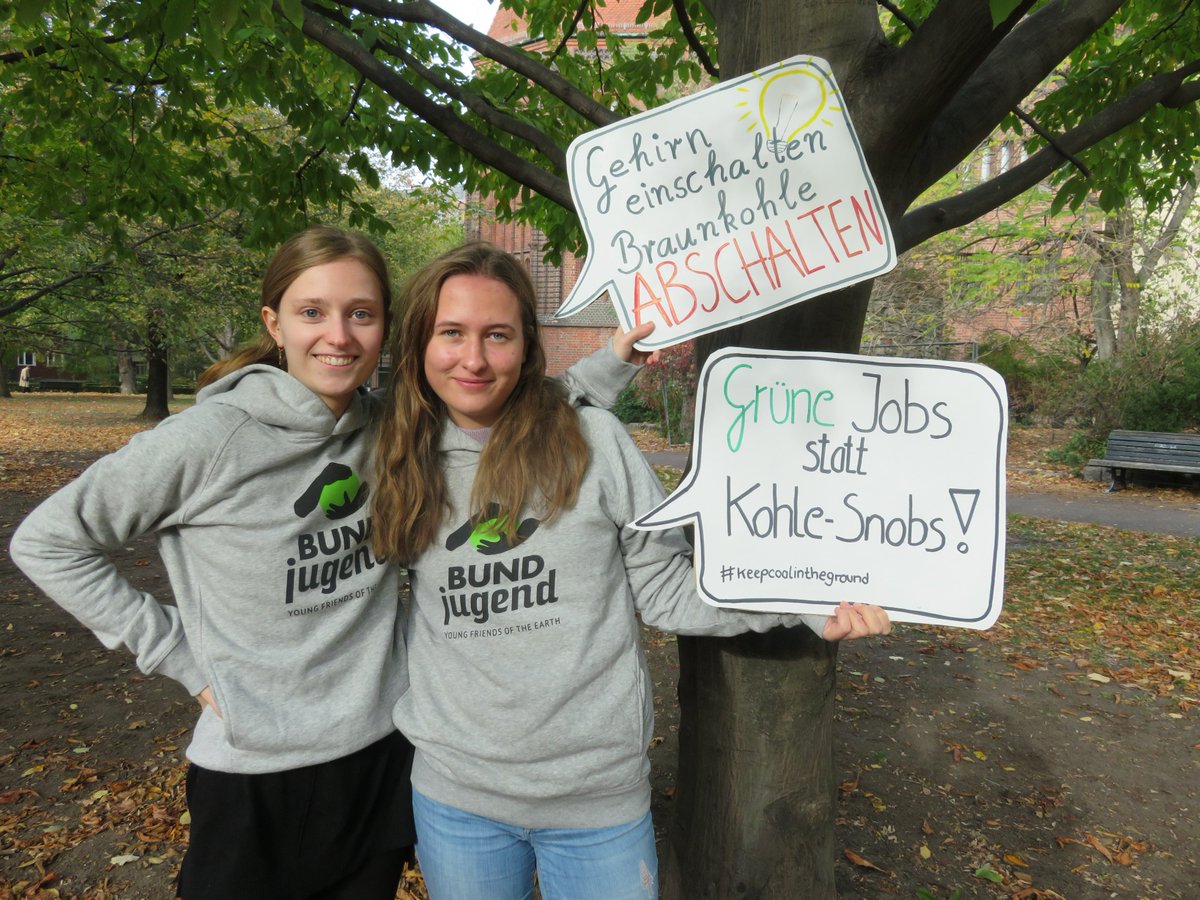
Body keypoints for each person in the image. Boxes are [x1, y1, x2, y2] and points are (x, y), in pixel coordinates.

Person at [8, 226, 642, 900]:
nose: (337, 335)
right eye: (312, 312)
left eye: (360, 314)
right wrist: (179, 657)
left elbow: (499, 395)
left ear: (386, 331)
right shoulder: (208, 440)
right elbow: (48, 541)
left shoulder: (394, 428)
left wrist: (612, 361)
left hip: (378, 757)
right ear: (273, 322)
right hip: (254, 770)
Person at [371, 241, 892, 900]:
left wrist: (809, 603)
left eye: (496, 335)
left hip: (597, 803)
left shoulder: (594, 445)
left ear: (527, 347)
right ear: (419, 342)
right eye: (452, 333)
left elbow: (669, 590)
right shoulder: (396, 459)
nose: (473, 358)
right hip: (457, 798)